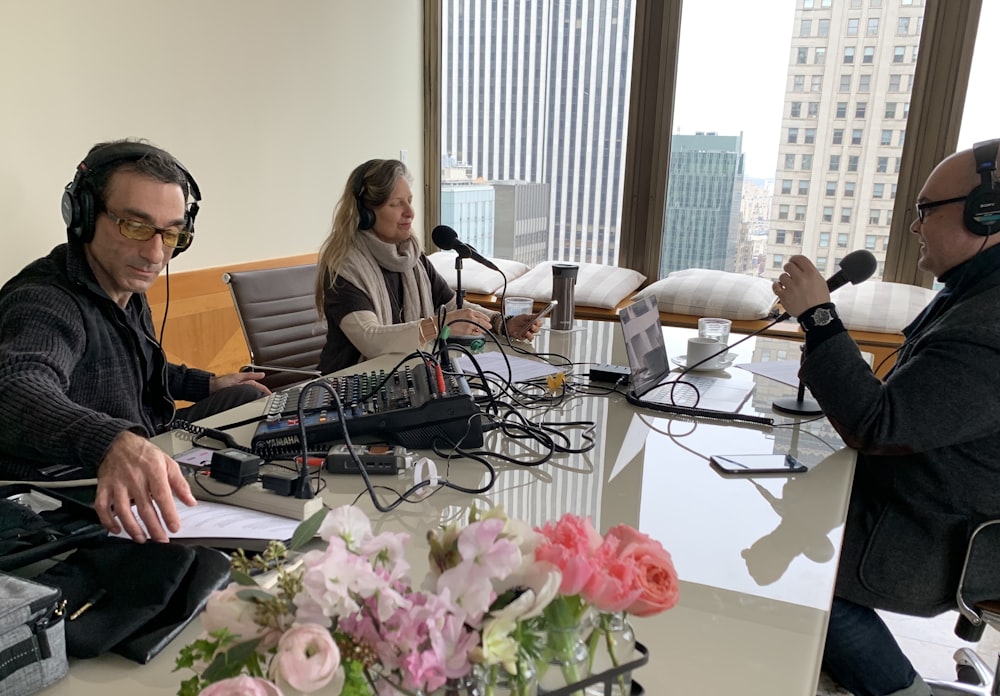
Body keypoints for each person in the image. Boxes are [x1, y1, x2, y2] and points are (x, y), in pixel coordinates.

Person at [773, 140, 1000, 696]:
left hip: (951, 533)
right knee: (790, 511)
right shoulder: (972, 294)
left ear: (985, 212)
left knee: (802, 577)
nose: (916, 228)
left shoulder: (988, 326)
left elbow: (880, 424)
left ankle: (898, 688)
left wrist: (820, 317)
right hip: (937, 494)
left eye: (926, 211)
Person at [0, 139, 270, 544]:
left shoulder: (124, 283)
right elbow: (16, 385)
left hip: (148, 440)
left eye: (172, 233)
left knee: (246, 398)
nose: (155, 252)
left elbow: (138, 366)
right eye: (136, 226)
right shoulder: (45, 299)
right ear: (83, 216)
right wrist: (110, 442)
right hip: (75, 484)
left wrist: (206, 385)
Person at [315, 158, 541, 374]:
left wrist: (503, 323)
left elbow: (452, 308)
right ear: (366, 214)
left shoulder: (412, 256)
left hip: (406, 377)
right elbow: (371, 339)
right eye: (396, 204)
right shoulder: (344, 268)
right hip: (346, 389)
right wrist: (435, 326)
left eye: (409, 201)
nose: (410, 213)